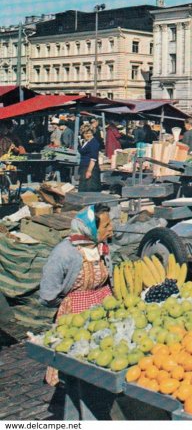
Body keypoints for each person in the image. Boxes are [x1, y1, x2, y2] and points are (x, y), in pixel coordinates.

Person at [39, 204, 114, 385]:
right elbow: (47, 294)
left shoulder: (101, 247)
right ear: (91, 229)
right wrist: (70, 303)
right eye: (106, 226)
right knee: (77, 369)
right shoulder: (64, 253)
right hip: (76, 317)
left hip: (104, 312)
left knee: (103, 362)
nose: (111, 228)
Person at [78, 125, 101, 192]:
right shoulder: (87, 142)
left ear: (92, 133)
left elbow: (93, 159)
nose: (87, 135)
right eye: (85, 133)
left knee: (89, 188)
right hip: (84, 167)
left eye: (89, 133)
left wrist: (89, 171)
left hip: (91, 168)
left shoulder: (94, 143)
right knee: (83, 188)